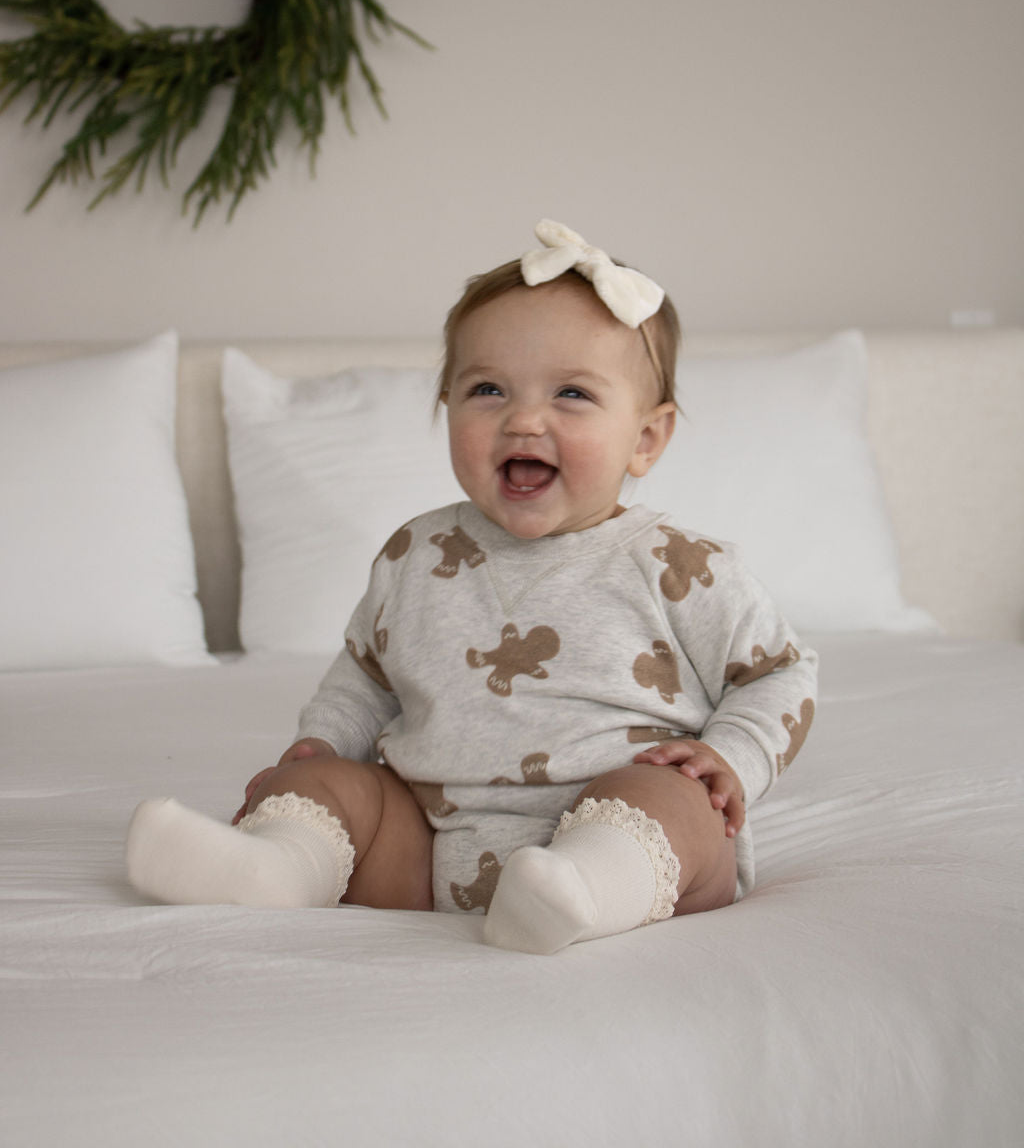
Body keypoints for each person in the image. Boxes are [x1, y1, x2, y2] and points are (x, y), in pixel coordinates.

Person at [126, 220, 817, 954]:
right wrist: (321, 744)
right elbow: (366, 678)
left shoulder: (678, 563)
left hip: (628, 832)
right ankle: (274, 867)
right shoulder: (416, 552)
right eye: (487, 389)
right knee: (335, 791)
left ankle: (583, 891)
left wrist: (732, 757)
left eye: (572, 394)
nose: (523, 419)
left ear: (645, 438)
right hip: (427, 847)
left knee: (668, 800)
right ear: (446, 405)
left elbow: (781, 672)